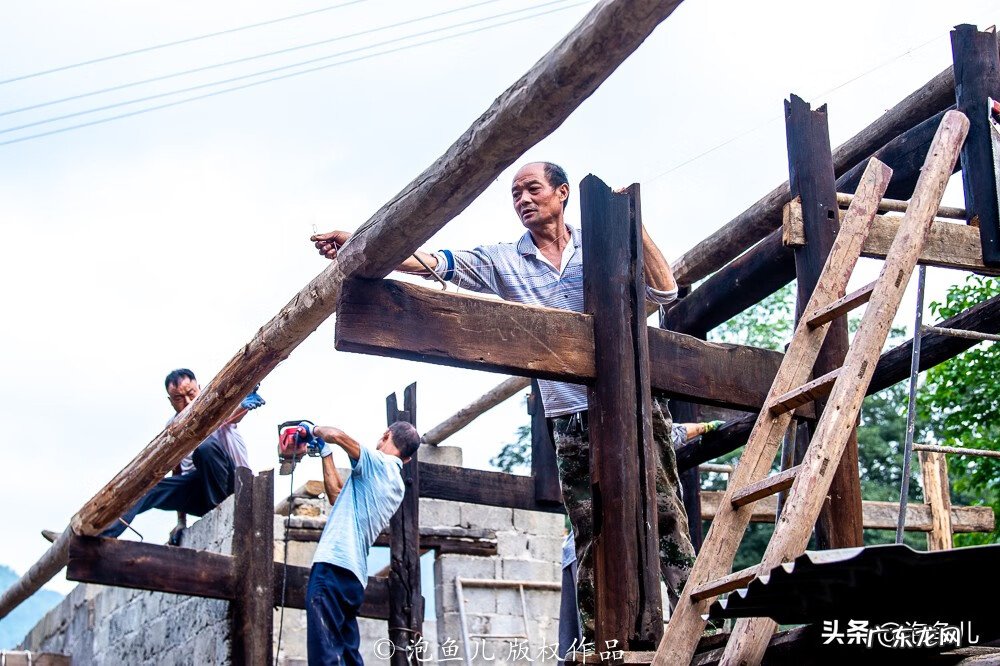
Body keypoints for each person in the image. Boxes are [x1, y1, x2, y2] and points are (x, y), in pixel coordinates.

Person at [312, 161, 696, 635]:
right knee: (588, 527)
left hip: (635, 402)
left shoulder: (603, 243)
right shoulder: (505, 260)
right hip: (567, 414)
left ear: (562, 193)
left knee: (662, 511)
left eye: (532, 189)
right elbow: (437, 264)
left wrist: (633, 221)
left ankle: (695, 625)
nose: (523, 200)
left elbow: (664, 291)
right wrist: (359, 246)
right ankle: (603, 639)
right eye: (515, 194)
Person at [302, 420, 421, 666]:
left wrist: (311, 430)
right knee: (346, 653)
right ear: (407, 460)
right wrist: (326, 453)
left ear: (386, 435)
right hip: (352, 578)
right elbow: (336, 494)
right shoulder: (395, 484)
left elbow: (336, 434)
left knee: (325, 654)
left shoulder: (379, 463)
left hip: (333, 565)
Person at [101, 369, 261, 541]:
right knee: (147, 488)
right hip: (201, 494)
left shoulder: (217, 406)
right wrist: (180, 522)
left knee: (204, 449)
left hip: (234, 487)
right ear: (171, 402)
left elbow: (233, 414)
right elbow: (176, 470)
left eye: (191, 394)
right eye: (178, 399)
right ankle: (104, 534)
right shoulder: (173, 427)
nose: (187, 402)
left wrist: (243, 404)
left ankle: (221, 512)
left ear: (199, 389)